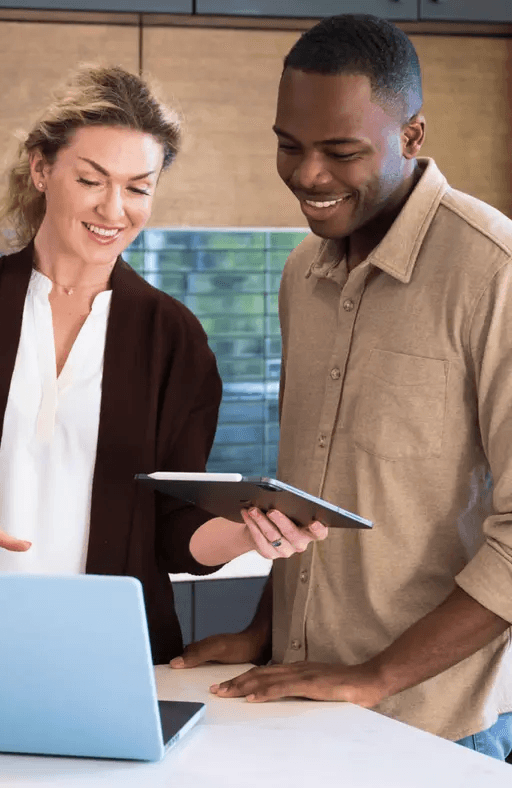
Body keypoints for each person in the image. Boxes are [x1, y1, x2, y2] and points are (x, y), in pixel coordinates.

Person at [0, 64, 327, 666]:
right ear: (42, 170)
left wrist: (248, 534)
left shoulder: (176, 339)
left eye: (139, 188)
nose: (114, 209)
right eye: (92, 180)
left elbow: (171, 528)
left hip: (114, 655)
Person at [171, 15, 512, 760]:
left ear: (413, 136)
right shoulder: (303, 274)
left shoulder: (495, 271)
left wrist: (375, 676)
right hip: (301, 703)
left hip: (438, 727)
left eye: (342, 151)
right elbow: (312, 492)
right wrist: (265, 631)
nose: (308, 175)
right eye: (289, 146)